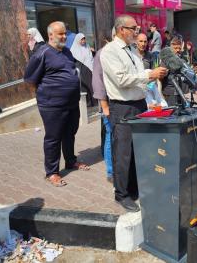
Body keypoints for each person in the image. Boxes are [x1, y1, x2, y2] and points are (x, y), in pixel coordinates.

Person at [100, 15, 167, 212]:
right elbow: (122, 79)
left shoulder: (132, 51)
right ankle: (121, 194)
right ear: (122, 29)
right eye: (133, 28)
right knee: (123, 153)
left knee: (139, 150)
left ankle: (134, 188)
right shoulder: (110, 52)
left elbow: (139, 79)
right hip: (122, 107)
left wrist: (153, 80)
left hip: (140, 104)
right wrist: (148, 74)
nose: (137, 32)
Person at [24, 21, 89, 187]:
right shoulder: (42, 53)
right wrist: (47, 95)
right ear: (50, 35)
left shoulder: (67, 51)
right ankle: (52, 172)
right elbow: (31, 81)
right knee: (53, 138)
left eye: (65, 33)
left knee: (70, 134)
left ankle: (71, 161)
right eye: (60, 34)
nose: (64, 37)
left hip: (72, 103)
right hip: (52, 105)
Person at [92, 35, 113, 183]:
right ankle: (111, 171)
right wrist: (104, 106)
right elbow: (98, 81)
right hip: (110, 104)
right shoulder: (103, 53)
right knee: (110, 137)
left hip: (122, 103)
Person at [161, 35, 188, 106]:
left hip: (181, 93)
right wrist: (161, 94)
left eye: (179, 48)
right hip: (170, 94)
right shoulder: (166, 60)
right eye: (175, 48)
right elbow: (160, 79)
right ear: (171, 47)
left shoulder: (182, 58)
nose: (178, 50)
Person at [71, 33, 96, 107]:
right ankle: (87, 103)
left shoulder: (87, 46)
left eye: (84, 39)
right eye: (82, 39)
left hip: (90, 69)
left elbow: (90, 58)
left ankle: (93, 102)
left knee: (91, 86)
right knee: (84, 87)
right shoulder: (73, 49)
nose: (83, 41)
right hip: (81, 70)